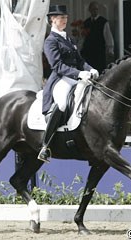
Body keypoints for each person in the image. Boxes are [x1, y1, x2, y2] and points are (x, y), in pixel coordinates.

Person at [38, 5, 99, 163]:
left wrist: (91, 69)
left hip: (76, 76)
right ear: (53, 19)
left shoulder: (69, 39)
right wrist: (79, 73)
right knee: (63, 103)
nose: (64, 20)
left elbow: (80, 61)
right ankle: (46, 145)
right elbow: (57, 66)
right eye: (61, 18)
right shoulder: (50, 41)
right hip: (61, 79)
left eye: (65, 17)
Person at [81, 1, 114, 73]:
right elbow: (83, 37)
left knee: (99, 69)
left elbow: (108, 37)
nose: (94, 11)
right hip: (88, 51)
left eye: (96, 9)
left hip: (99, 51)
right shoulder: (86, 22)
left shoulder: (103, 22)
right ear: (89, 10)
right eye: (92, 9)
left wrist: (110, 50)